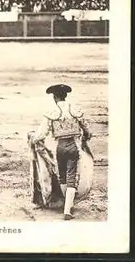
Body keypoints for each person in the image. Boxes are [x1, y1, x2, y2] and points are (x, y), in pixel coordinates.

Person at [30, 84, 93, 220]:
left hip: (59, 148)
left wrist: (33, 139)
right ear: (65, 96)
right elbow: (87, 129)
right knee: (71, 177)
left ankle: (66, 205)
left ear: (55, 97)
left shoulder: (52, 112)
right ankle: (67, 209)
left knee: (62, 177)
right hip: (73, 147)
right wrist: (86, 138)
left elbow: (41, 134)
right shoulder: (74, 110)